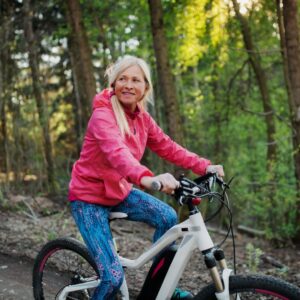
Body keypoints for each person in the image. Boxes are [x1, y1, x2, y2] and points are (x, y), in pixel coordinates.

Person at [68, 55, 224, 300]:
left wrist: (204, 166)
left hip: (118, 191)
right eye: (123, 79)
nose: (128, 85)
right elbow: (117, 153)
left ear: (145, 88)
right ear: (114, 84)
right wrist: (147, 178)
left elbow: (168, 147)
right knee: (112, 277)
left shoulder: (142, 118)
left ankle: (157, 287)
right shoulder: (103, 116)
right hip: (88, 199)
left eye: (135, 80)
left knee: (167, 217)